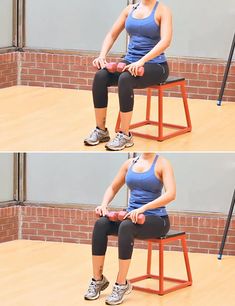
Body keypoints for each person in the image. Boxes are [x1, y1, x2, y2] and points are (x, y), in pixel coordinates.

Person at [84, 153, 176, 305]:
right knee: (101, 224)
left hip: (157, 220)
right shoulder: (129, 163)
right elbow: (113, 187)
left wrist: (143, 208)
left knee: (126, 227)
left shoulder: (162, 163)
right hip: (132, 216)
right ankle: (98, 279)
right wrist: (104, 205)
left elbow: (171, 194)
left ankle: (121, 284)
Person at [84, 0, 172, 151]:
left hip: (156, 65)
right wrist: (102, 56)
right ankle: (101, 130)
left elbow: (166, 41)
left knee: (125, 78)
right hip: (130, 61)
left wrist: (142, 61)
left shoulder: (163, 11)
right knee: (100, 76)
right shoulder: (129, 10)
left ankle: (125, 135)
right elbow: (112, 34)